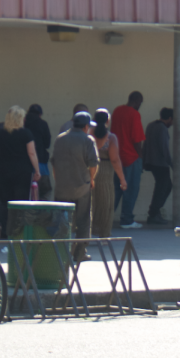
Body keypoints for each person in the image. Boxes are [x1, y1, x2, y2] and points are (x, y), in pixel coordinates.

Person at [52, 111, 99, 261]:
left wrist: (58, 179)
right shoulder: (87, 140)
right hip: (81, 188)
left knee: (61, 221)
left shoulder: (60, 138)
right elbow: (93, 164)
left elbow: (54, 162)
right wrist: (91, 179)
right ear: (86, 126)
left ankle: (59, 252)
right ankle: (80, 253)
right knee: (83, 221)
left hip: (62, 188)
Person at [0, 106, 40, 233]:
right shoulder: (26, 133)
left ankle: (2, 228)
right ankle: (18, 230)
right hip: (22, 172)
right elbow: (31, 153)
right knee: (21, 202)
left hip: (3, 171)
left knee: (4, 202)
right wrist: (37, 170)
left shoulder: (0, 133)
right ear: (21, 119)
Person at [89, 109, 127, 237]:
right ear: (108, 121)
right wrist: (122, 179)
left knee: (90, 203)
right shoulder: (111, 137)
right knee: (106, 202)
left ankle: (87, 232)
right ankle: (104, 233)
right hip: (105, 172)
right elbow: (115, 160)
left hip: (89, 170)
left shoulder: (89, 135)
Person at [111, 92, 146, 229]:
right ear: (137, 101)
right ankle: (127, 219)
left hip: (117, 157)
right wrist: (141, 155)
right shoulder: (134, 114)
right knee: (131, 189)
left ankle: (106, 216)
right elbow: (137, 139)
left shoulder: (117, 111)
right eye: (140, 103)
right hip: (131, 157)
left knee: (116, 190)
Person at [143, 107, 174, 225]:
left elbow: (145, 143)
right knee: (164, 187)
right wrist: (171, 163)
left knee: (163, 187)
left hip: (151, 161)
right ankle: (154, 213)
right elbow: (164, 148)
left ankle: (155, 212)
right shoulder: (162, 129)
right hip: (160, 163)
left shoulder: (151, 125)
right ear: (170, 118)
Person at [25, 104, 53, 201]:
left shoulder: (23, 124)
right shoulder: (43, 124)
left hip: (25, 163)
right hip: (41, 162)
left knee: (26, 194)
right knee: (44, 193)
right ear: (40, 114)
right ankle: (42, 215)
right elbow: (47, 144)